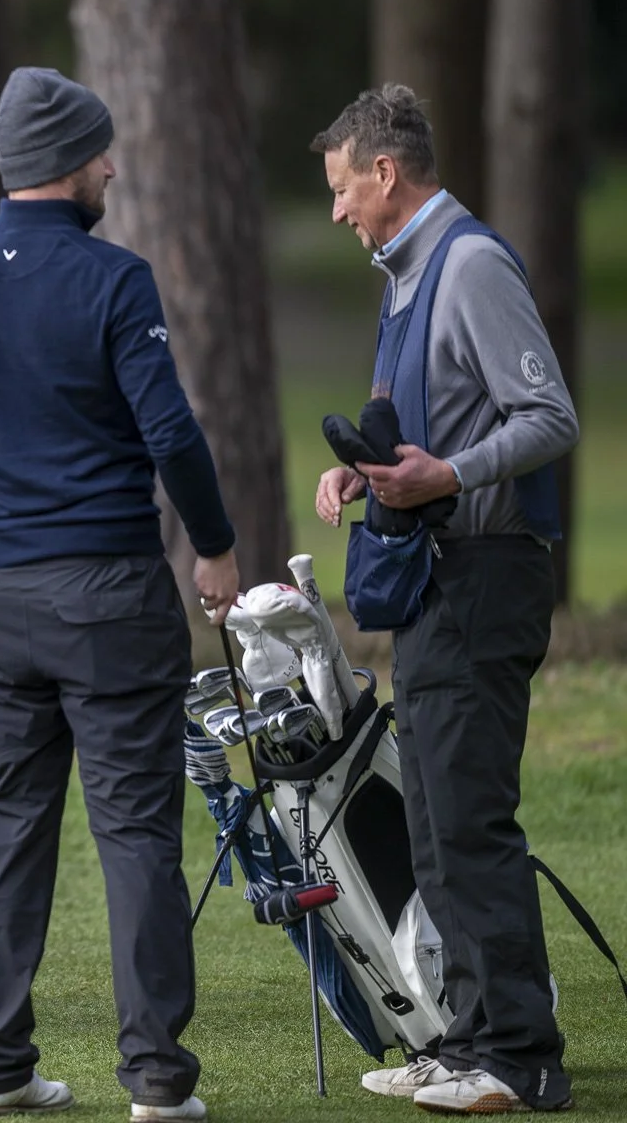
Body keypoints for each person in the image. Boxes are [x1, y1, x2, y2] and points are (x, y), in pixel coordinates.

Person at [0, 68, 239, 1121]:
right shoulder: (113, 276)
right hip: (108, 586)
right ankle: (157, 1081)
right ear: (69, 162)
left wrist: (9, 488)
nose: (114, 169)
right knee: (135, 828)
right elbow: (170, 430)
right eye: (102, 154)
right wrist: (216, 546)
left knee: (13, 818)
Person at [311, 86, 578, 1115]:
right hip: (434, 583)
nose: (337, 212)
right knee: (431, 821)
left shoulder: (468, 263)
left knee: (468, 820)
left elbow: (547, 412)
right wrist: (364, 471)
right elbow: (415, 421)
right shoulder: (405, 276)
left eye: (342, 189)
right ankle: (467, 1040)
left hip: (483, 574)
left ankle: (522, 1058)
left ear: (386, 174)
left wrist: (451, 475)